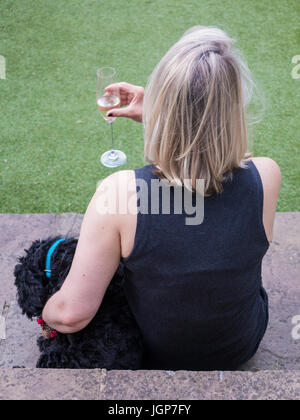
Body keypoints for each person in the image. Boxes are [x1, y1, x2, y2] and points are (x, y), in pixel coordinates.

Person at [42, 26, 281, 370]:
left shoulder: (121, 194)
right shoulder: (267, 175)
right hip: (238, 346)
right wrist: (175, 115)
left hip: (158, 353)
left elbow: (72, 316)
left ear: (163, 107)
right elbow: (230, 158)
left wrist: (44, 311)